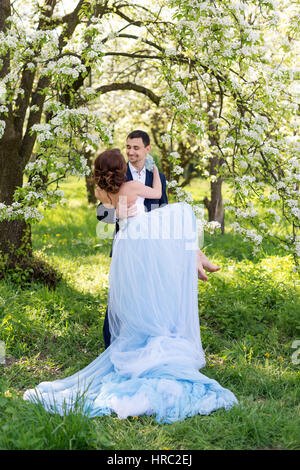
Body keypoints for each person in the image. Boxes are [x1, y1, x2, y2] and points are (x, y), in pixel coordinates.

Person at [23, 148, 238, 424]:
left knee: (134, 293)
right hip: (141, 237)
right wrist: (156, 172)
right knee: (182, 214)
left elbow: (106, 216)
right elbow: (158, 194)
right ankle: (195, 260)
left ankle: (195, 260)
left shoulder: (102, 192)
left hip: (123, 245)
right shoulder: (133, 185)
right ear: (121, 169)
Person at [96, 130, 220, 349]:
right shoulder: (117, 174)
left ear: (147, 149)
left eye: (135, 148)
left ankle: (150, 343)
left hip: (154, 244)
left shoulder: (158, 176)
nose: (131, 152)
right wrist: (119, 214)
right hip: (129, 243)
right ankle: (112, 344)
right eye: (128, 147)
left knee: (151, 294)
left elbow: (163, 208)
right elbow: (101, 213)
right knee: (122, 296)